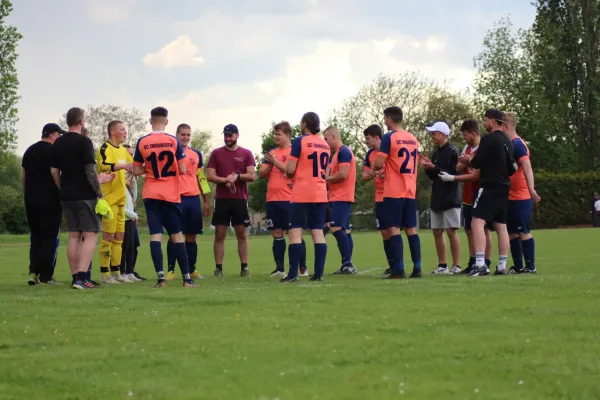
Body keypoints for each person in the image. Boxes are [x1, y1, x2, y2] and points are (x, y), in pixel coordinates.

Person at [439, 109, 517, 276]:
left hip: (489, 185)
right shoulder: (508, 140)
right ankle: (502, 265)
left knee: (477, 222)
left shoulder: (489, 139)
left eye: (486, 120)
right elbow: (512, 168)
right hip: (504, 186)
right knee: (501, 226)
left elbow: (478, 161)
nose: (484, 124)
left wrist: (469, 160)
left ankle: (480, 264)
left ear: (493, 121)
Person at [132, 106, 196, 288]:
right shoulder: (173, 141)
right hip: (170, 194)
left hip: (151, 193)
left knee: (155, 236)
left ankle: (161, 279)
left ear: (150, 121)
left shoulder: (142, 141)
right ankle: (186, 279)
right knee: (177, 236)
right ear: (166, 122)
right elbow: (183, 169)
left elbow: (136, 170)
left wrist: (151, 168)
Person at [50, 107, 113, 290]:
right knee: (91, 234)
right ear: (81, 121)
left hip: (66, 194)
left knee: (74, 235)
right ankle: (81, 277)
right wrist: (99, 193)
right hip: (85, 194)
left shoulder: (58, 143)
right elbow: (91, 170)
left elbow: (54, 171)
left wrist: (61, 187)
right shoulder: (85, 142)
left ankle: (75, 276)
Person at [280, 112, 330, 283]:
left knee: (295, 232)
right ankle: (319, 274)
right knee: (318, 233)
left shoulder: (299, 141)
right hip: (320, 192)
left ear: (304, 124)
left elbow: (290, 169)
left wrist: (287, 171)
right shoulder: (325, 144)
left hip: (302, 192)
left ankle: (293, 274)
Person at [373, 106, 422, 279]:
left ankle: (399, 269)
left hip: (394, 190)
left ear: (389, 119)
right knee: (411, 229)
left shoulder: (389, 137)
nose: (384, 122)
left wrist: (375, 166)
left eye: (385, 119)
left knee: (394, 229)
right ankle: (417, 268)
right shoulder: (412, 138)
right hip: (410, 189)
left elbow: (378, 163)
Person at [259, 121, 308, 277]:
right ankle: (280, 268)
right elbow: (261, 173)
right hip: (272, 199)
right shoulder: (272, 152)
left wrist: (275, 162)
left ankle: (302, 267)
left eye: (279, 134)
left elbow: (290, 172)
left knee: (294, 232)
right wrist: (270, 164)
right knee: (277, 232)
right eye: (275, 134)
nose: (276, 137)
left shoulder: (295, 151)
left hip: (290, 199)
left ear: (287, 135)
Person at [206, 124, 256, 277]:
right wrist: (225, 179)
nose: (227, 138)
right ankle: (219, 268)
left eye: (230, 135)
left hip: (239, 199)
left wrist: (237, 177)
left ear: (237, 136)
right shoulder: (216, 153)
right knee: (220, 234)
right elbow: (210, 175)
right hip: (221, 199)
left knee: (241, 233)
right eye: (226, 135)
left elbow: (252, 176)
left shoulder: (246, 153)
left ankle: (244, 267)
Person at [166, 124, 211, 280]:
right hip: (176, 198)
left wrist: (206, 200)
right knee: (174, 235)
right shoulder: (170, 153)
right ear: (177, 135)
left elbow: (202, 178)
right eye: (183, 134)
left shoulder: (196, 154)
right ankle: (170, 270)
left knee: (191, 236)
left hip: (193, 199)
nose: (185, 137)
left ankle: (192, 269)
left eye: (188, 135)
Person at [22, 123, 65, 286]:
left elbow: (23, 178)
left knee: (36, 237)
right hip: (50, 199)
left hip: (31, 199)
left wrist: (28, 193)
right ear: (53, 135)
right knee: (49, 237)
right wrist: (61, 191)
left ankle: (33, 272)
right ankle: (46, 275)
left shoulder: (29, 150)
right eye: (59, 136)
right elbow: (56, 174)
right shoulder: (54, 152)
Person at [420, 121, 462, 274]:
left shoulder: (452, 151)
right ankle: (442, 265)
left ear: (443, 134)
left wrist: (434, 167)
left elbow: (451, 174)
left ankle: (456, 265)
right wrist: (427, 168)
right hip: (437, 196)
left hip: (450, 196)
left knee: (451, 231)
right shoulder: (436, 152)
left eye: (434, 133)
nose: (432, 136)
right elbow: (435, 176)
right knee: (437, 231)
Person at [96, 120, 134, 284]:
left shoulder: (123, 151)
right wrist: (123, 166)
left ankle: (117, 272)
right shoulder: (105, 148)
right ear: (113, 132)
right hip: (108, 200)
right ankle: (104, 275)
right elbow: (104, 165)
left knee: (119, 237)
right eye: (122, 130)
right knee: (108, 237)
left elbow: (132, 165)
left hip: (121, 200)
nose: (125, 132)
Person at [502, 113, 541, 274]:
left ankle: (531, 266)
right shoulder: (510, 144)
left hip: (520, 196)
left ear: (506, 126)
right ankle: (518, 266)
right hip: (509, 196)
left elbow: (527, 166)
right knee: (511, 232)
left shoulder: (518, 144)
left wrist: (531, 188)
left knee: (523, 231)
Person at [456, 119, 492, 274]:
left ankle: (485, 261)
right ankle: (472, 261)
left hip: (481, 192)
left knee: (483, 229)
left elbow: (479, 173)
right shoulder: (467, 147)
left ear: (473, 133)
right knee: (469, 229)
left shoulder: (484, 147)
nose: (464, 138)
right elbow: (458, 168)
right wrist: (465, 161)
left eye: (465, 135)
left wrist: (470, 161)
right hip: (468, 194)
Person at [324, 126, 357, 275]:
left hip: (342, 196)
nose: (325, 142)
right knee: (344, 229)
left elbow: (343, 174)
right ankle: (347, 264)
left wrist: (326, 179)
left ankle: (347, 263)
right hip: (337, 195)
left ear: (333, 136)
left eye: (326, 139)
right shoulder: (336, 154)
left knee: (335, 227)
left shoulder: (344, 152)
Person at [362, 124, 391, 273]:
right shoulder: (369, 154)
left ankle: (398, 265)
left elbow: (397, 173)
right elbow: (364, 176)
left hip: (392, 194)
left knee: (395, 230)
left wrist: (382, 174)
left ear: (376, 137)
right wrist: (369, 175)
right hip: (379, 196)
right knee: (384, 232)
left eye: (367, 138)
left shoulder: (389, 150)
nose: (366, 141)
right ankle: (391, 264)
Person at [120, 144, 145, 282]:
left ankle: (130, 271)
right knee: (124, 246)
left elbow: (133, 199)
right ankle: (122, 271)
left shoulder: (128, 180)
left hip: (130, 216)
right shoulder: (118, 179)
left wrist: (133, 181)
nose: (131, 157)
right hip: (124, 218)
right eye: (128, 154)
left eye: (132, 154)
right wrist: (133, 214)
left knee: (133, 245)